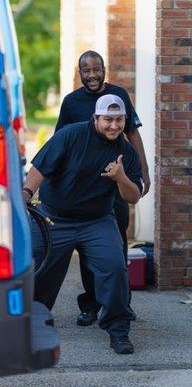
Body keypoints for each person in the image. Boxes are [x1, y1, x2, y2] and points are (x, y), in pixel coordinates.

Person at [23, 94, 143, 354]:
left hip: (97, 220)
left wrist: (121, 177)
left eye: (119, 120)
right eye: (108, 120)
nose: (114, 126)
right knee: (41, 271)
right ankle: (32, 327)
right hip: (54, 217)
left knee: (114, 268)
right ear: (96, 118)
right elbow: (39, 168)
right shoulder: (71, 136)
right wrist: (24, 195)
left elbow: (133, 196)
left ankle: (118, 330)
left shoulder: (126, 152)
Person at [55, 50, 150, 326]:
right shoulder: (71, 103)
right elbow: (60, 142)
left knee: (116, 244)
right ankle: (91, 304)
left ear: (104, 69)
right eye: (86, 71)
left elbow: (132, 132)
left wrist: (142, 171)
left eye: (97, 69)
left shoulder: (119, 94)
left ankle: (121, 305)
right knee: (87, 247)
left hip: (116, 183)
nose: (92, 75)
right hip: (84, 189)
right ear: (79, 73)